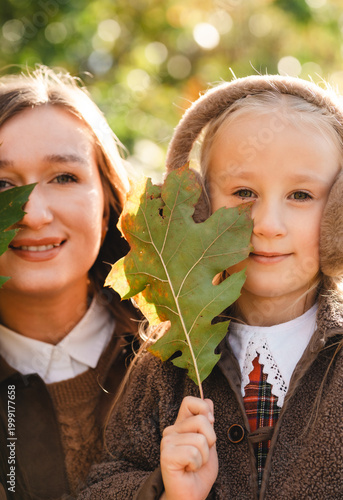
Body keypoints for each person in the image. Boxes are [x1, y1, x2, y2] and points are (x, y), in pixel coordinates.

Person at [79, 75, 343, 499]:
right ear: (200, 207)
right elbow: (105, 483)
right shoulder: (167, 361)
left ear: (339, 215)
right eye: (243, 192)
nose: (268, 225)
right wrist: (169, 492)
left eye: (300, 195)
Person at [0, 66, 140, 499]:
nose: (34, 214)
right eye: (2, 184)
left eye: (64, 177)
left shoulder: (184, 357)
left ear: (107, 203)